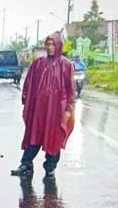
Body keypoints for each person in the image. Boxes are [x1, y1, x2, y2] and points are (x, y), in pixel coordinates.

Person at [11, 32, 75, 179]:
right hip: (39, 108)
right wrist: (26, 101)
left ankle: (50, 167)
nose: (50, 47)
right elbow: (28, 83)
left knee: (54, 137)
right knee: (34, 134)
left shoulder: (66, 65)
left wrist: (68, 109)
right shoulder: (38, 63)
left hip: (56, 109)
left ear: (59, 45)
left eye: (53, 44)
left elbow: (71, 89)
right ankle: (26, 164)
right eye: (48, 44)